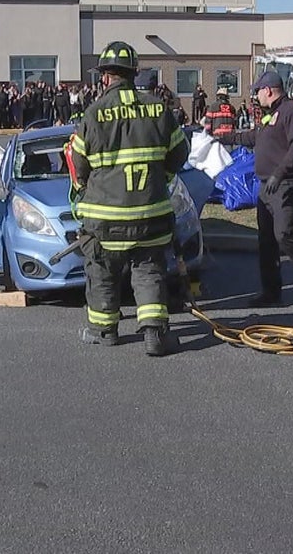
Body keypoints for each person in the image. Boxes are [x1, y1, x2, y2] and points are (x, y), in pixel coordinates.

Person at [67, 40, 189, 356]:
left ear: (105, 78)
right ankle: (154, 334)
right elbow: (180, 153)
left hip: (105, 218)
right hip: (151, 214)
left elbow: (78, 165)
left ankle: (104, 331)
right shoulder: (159, 108)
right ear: (134, 74)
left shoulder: (93, 114)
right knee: (149, 270)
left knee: (102, 271)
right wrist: (160, 177)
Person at [219, 70, 293, 307]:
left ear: (269, 90)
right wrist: (225, 139)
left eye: (258, 91)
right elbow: (254, 137)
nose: (256, 96)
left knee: (284, 234)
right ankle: (271, 291)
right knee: (266, 240)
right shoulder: (271, 114)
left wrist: (279, 174)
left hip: (287, 184)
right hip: (266, 186)